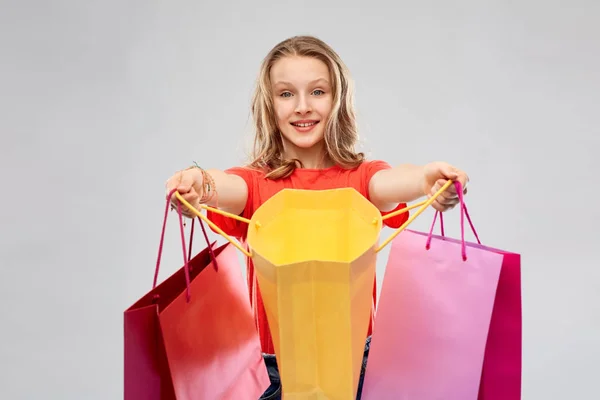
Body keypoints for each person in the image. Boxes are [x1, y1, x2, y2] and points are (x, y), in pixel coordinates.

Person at [164, 35, 469, 400]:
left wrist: (426, 178)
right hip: (273, 375)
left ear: (337, 99)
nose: (303, 107)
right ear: (269, 104)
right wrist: (197, 182)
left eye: (318, 92)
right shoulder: (256, 183)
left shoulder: (360, 178)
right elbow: (221, 185)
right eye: (286, 93)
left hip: (357, 369)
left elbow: (393, 181)